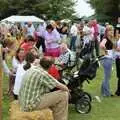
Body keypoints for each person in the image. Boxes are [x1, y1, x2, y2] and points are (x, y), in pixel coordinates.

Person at [100, 25, 114, 97]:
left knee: (106, 76)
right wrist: (105, 50)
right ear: (107, 31)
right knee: (107, 77)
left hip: (108, 59)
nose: (112, 31)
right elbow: (101, 45)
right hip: (107, 59)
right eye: (110, 30)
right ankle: (107, 93)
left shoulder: (109, 38)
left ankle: (103, 92)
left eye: (112, 30)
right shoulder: (105, 38)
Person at [114, 27, 120, 96]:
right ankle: (118, 91)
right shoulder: (117, 40)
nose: (116, 34)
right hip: (118, 59)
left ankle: (118, 91)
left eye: (117, 33)